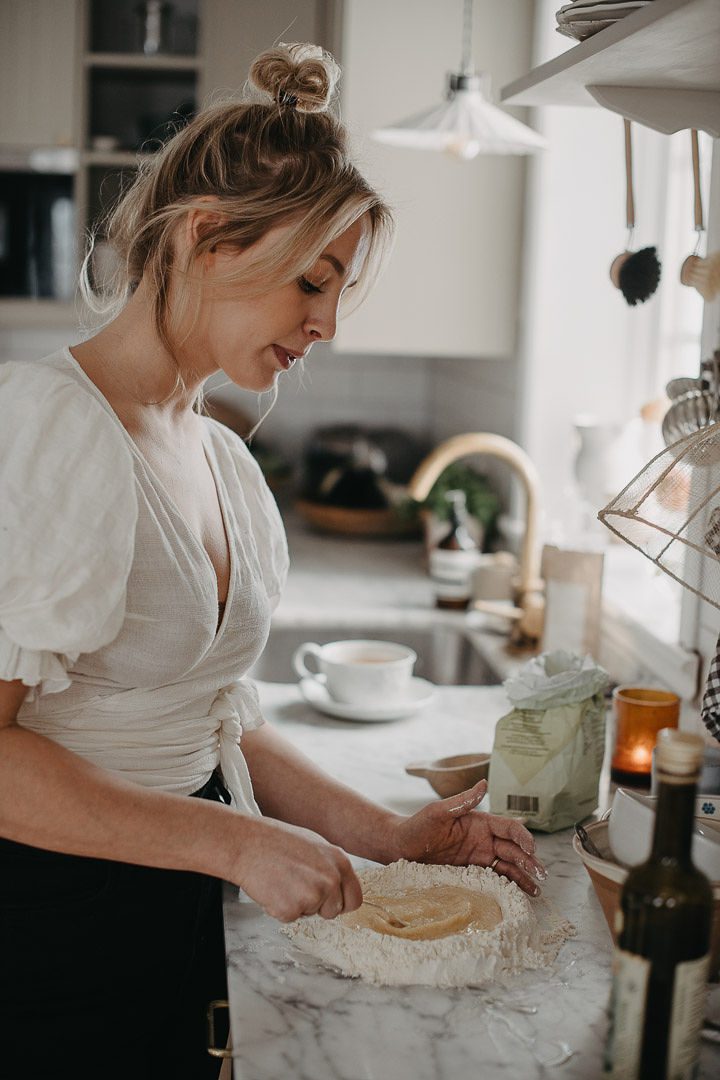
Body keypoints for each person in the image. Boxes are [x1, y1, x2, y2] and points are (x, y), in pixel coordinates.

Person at [0, 43, 546, 1079]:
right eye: (313, 280)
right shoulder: (50, 426)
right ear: (206, 238)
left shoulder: (218, 455)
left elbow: (217, 713)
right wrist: (233, 844)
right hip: (46, 914)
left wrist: (389, 835)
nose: (329, 323)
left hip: (164, 901)